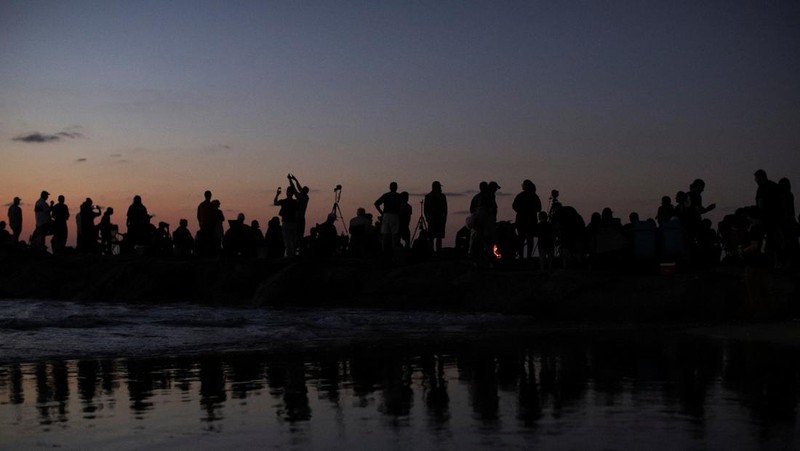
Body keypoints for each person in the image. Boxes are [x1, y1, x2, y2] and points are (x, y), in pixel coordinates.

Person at [754, 169, 783, 267]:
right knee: (771, 241)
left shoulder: (762, 188)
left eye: (757, 178)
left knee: (760, 240)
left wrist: (759, 217)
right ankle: (772, 261)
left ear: (760, 177)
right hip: (774, 219)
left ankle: (761, 261)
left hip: (766, 219)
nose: (756, 181)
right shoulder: (774, 186)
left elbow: (760, 204)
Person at [512, 179, 542, 259]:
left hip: (522, 221)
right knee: (529, 239)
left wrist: (521, 210)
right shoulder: (534, 196)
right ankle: (528, 256)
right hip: (530, 221)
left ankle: (522, 256)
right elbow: (539, 208)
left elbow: (514, 206)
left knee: (522, 239)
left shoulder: (520, 196)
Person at [374, 182, 402, 256]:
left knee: (385, 235)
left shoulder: (386, 195)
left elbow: (376, 203)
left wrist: (382, 213)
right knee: (394, 235)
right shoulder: (399, 196)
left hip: (386, 215)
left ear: (389, 187)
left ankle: (384, 251)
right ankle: (393, 251)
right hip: (395, 215)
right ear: (396, 188)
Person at [274, 185, 299, 257]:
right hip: (293, 223)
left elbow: (275, 202)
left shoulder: (284, 201)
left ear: (287, 193)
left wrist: (277, 194)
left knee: (287, 239)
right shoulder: (295, 202)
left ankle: (289, 255)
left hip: (286, 222)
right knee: (293, 239)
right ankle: (292, 254)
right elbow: (297, 214)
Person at [424, 181, 448, 253]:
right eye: (439, 186)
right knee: (435, 236)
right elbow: (445, 208)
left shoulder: (429, 196)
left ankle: (436, 251)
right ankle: (435, 251)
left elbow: (425, 210)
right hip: (435, 218)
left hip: (436, 218)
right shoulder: (441, 196)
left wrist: (427, 218)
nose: (440, 188)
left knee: (436, 236)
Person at [288, 174, 310, 239]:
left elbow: (294, 188)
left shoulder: (300, 197)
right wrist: (295, 179)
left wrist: (290, 180)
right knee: (300, 235)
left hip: (298, 218)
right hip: (301, 218)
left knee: (296, 235)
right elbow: (299, 188)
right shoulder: (306, 197)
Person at [197, 190, 215, 257]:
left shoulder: (201, 205)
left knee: (204, 242)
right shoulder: (211, 206)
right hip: (209, 227)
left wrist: (200, 223)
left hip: (203, 226)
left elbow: (198, 216)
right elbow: (214, 216)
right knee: (209, 242)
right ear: (210, 196)